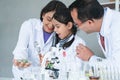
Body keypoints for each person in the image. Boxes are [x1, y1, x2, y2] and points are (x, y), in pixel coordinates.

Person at [12, 0, 66, 80]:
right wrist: (21, 62)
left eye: (56, 23)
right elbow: (21, 50)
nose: (51, 26)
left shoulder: (61, 35)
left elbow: (59, 65)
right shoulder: (29, 26)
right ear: (43, 14)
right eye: (48, 19)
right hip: (24, 75)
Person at [51, 7, 86, 79]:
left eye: (57, 26)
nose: (55, 30)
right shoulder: (58, 44)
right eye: (54, 27)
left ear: (69, 25)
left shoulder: (79, 43)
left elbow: (77, 69)